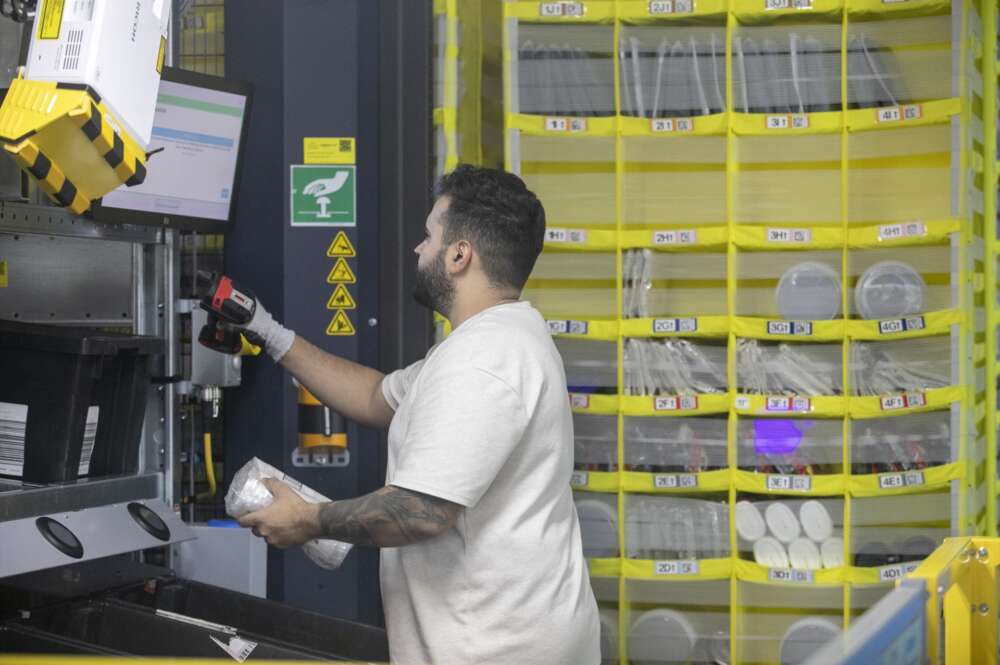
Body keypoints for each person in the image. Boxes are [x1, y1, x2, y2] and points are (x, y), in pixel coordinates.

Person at [236, 164, 600, 665]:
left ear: (458, 255)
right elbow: (375, 396)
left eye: (429, 236)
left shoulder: (482, 361)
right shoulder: (499, 339)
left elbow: (420, 512)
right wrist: (267, 331)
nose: (418, 249)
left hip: (494, 651)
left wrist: (307, 521)